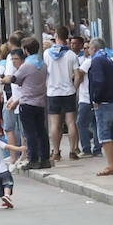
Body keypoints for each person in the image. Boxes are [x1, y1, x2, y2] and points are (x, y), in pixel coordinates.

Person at [7, 39, 50, 169]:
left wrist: (4, 79)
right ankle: (45, 158)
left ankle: (33, 159)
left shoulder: (26, 65)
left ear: (26, 50)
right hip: (40, 101)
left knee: (30, 132)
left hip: (27, 102)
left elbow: (15, 78)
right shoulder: (42, 64)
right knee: (41, 131)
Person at [88, 39, 113, 177]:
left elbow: (98, 80)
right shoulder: (108, 59)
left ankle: (111, 164)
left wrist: (96, 98)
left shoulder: (97, 60)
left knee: (105, 134)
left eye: (90, 48)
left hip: (103, 102)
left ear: (94, 48)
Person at [44, 27, 81, 161]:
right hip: (68, 92)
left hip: (53, 92)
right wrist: (74, 88)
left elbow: (44, 73)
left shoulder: (47, 54)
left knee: (55, 124)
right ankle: (72, 151)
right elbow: (77, 75)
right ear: (67, 38)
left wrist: (47, 84)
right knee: (71, 122)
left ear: (56, 36)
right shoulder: (71, 55)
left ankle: (56, 152)